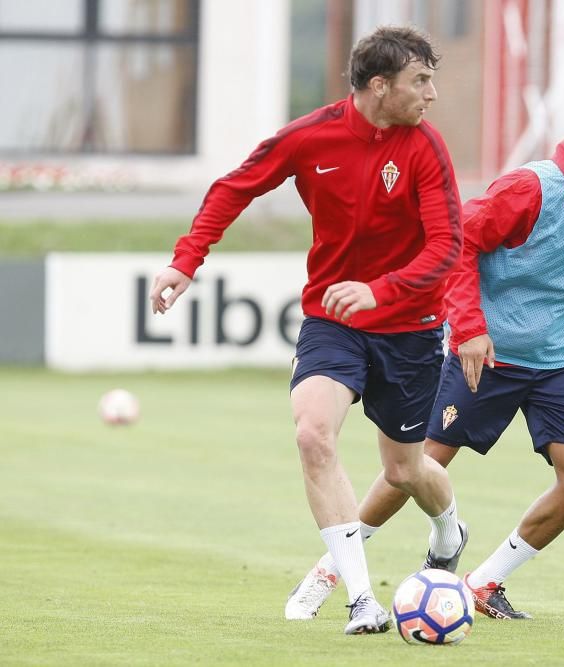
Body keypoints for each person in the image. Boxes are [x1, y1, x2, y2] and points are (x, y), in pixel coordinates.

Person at [289, 109, 564, 620]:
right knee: (413, 468)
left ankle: (483, 583)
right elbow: (457, 246)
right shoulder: (531, 190)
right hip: (486, 353)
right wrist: (470, 329)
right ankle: (331, 570)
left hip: (560, 363)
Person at [147, 26, 467, 634]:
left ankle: (448, 532)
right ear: (380, 85)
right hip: (333, 320)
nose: (431, 93)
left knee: (405, 471)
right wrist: (185, 259)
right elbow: (232, 188)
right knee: (313, 436)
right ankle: (362, 599)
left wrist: (382, 289)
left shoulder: (426, 148)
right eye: (420, 81)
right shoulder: (309, 136)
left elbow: (447, 246)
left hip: (412, 327)